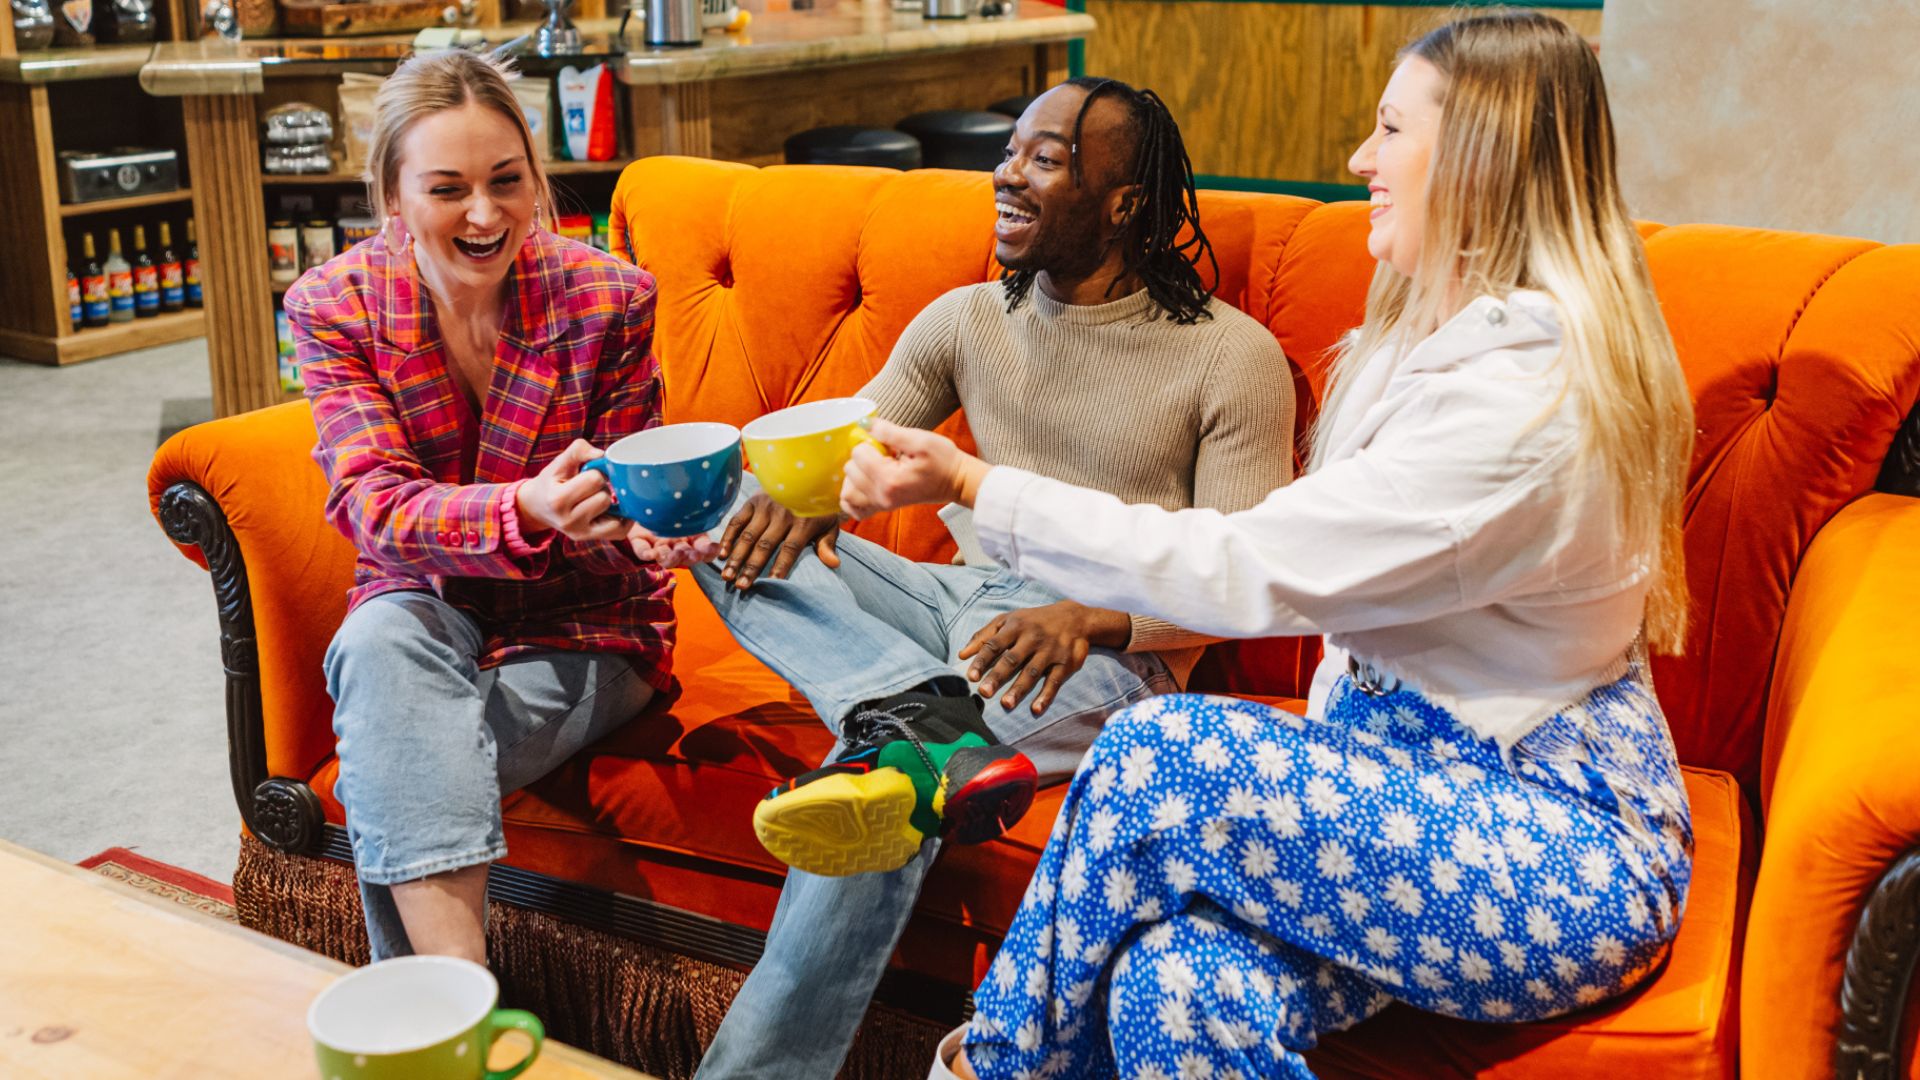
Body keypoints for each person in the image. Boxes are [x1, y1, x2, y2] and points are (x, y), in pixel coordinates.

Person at [840, 13, 1697, 1079]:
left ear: (1478, 157)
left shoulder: (1527, 404)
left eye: (1390, 132)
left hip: (1551, 853)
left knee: (1157, 752)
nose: (1360, 162)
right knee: (1177, 989)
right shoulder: (1430, 343)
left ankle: (987, 1069)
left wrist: (974, 483)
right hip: (1402, 803)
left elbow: (1242, 568)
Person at [679, 78, 1297, 1078]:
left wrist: (1089, 618)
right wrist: (796, 495)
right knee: (711, 515)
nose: (1007, 176)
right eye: (1010, 152)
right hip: (945, 613)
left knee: (885, 795)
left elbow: (1238, 579)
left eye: (1045, 159)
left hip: (1103, 653)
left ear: (1124, 201)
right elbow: (846, 461)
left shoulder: (1232, 359)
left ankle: (906, 740)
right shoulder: (967, 319)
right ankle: (911, 714)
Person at [289, 50, 674, 965]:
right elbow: (373, 507)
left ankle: (437, 1029)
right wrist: (526, 508)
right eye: (447, 188)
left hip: (582, 629)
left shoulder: (608, 299)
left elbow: (626, 526)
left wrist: (643, 530)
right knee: (381, 647)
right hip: (418, 612)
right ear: (391, 194)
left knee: (396, 755)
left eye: (508, 182)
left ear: (537, 180)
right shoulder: (333, 306)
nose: (485, 214)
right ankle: (459, 1006)